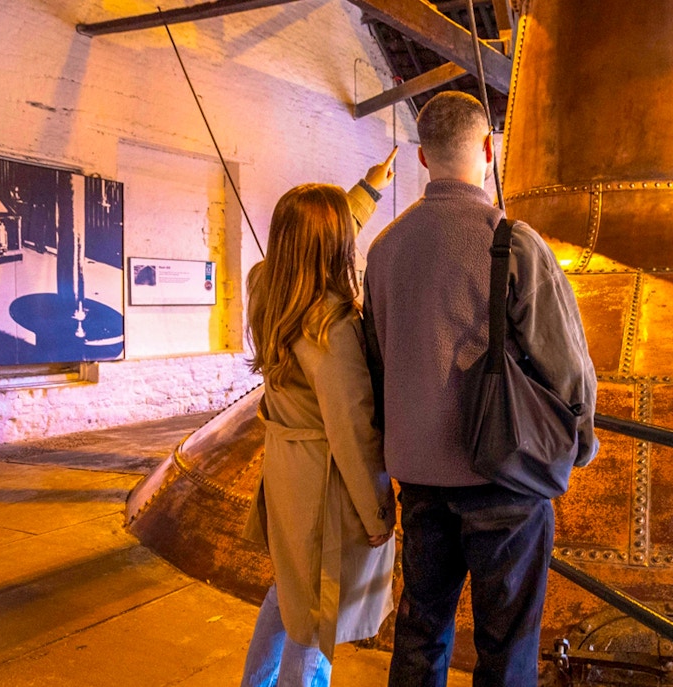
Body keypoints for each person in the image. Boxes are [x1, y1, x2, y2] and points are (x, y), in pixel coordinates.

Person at [363, 92, 598, 687]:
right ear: (489, 150)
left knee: (420, 635)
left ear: (421, 158)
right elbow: (565, 363)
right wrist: (580, 441)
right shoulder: (512, 242)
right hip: (503, 480)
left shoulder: (384, 250)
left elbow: (377, 363)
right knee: (505, 649)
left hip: (416, 481)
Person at [240, 149, 399, 687]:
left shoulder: (265, 285)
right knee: (318, 616)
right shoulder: (330, 324)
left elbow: (315, 235)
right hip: (324, 486)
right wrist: (378, 515)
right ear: (335, 248)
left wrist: (369, 189)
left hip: (284, 470)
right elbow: (352, 431)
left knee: (289, 590)